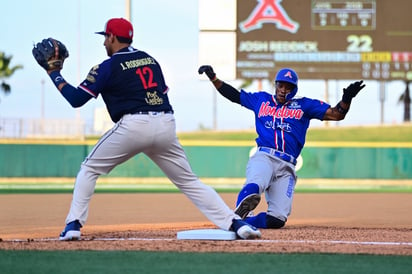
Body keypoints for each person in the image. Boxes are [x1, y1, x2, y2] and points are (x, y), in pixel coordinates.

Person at [37, 18, 261, 240]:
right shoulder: (150, 60)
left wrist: (53, 73)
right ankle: (236, 223)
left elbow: (76, 99)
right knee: (190, 182)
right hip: (165, 123)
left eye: (105, 37)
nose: (104, 42)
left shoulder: (107, 66)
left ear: (113, 37)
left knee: (89, 169)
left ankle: (73, 225)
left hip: (134, 125)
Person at [198, 65, 365, 229]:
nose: (283, 89)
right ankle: (237, 214)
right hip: (265, 157)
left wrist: (346, 99)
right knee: (254, 187)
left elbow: (336, 114)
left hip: (287, 167)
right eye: (281, 85)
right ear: (275, 85)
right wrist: (213, 78)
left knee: (276, 219)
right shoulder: (261, 100)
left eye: (288, 86)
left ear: (295, 89)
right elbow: (234, 95)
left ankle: (243, 221)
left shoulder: (304, 105)